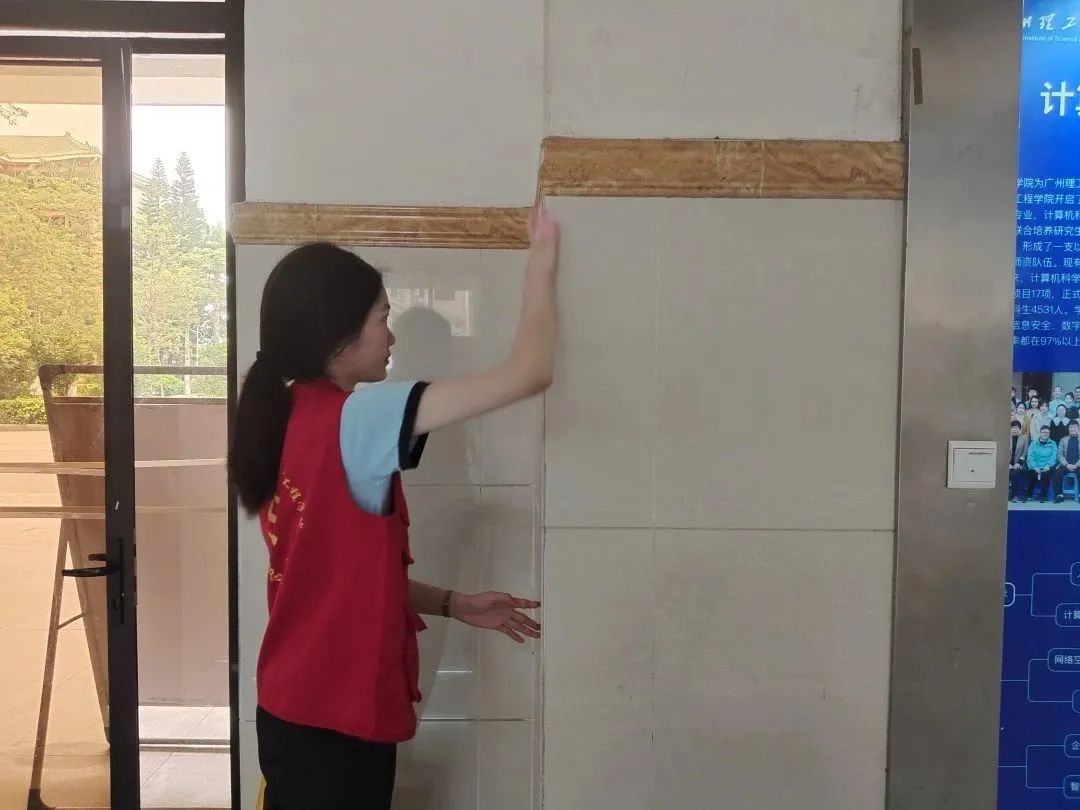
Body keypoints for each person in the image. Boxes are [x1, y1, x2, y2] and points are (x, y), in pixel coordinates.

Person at [229, 205, 559, 809]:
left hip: (295, 711)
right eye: (383, 317)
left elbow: (336, 576)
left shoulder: (286, 414)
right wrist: (542, 263)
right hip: (334, 728)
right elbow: (530, 373)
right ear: (337, 334)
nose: (392, 335)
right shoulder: (358, 416)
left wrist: (454, 603)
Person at [1028, 424, 1059, 503]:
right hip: (1035, 466)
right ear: (1040, 433)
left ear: (1049, 433)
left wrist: (1047, 466)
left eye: (1047, 432)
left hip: (1047, 466)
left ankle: (1043, 496)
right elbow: (1030, 456)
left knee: (1046, 474)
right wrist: (1035, 467)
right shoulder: (1033, 443)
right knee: (1031, 473)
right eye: (1043, 432)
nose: (1045, 434)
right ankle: (1029, 495)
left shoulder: (1053, 443)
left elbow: (1054, 457)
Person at [1055, 421, 1080, 503]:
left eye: (1074, 427)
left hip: (1078, 465)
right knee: (1058, 473)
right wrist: (1066, 464)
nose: (1072, 429)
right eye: (1071, 427)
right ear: (1068, 429)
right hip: (1066, 464)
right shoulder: (1063, 440)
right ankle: (1059, 495)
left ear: (1078, 428)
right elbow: (1059, 454)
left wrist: (1076, 465)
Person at [1009, 421, 1030, 503]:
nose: (1014, 430)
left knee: (1015, 473)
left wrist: (1018, 463)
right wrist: (1008, 464)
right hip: (1008, 464)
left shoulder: (1024, 438)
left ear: (1020, 429)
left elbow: (1025, 452)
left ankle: (1015, 495)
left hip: (1020, 463)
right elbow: (1003, 452)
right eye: (1012, 428)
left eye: (1016, 428)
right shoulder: (1006, 437)